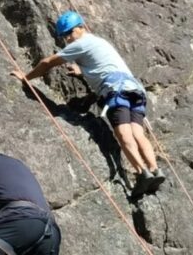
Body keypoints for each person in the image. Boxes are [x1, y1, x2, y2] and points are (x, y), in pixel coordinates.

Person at [11, 11, 165, 198]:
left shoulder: (80, 44)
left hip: (115, 89)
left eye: (69, 33)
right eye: (64, 35)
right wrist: (82, 71)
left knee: (123, 133)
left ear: (81, 27)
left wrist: (25, 77)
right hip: (135, 90)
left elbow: (47, 62)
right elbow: (101, 65)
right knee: (138, 133)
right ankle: (155, 170)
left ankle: (142, 173)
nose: (68, 38)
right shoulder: (98, 42)